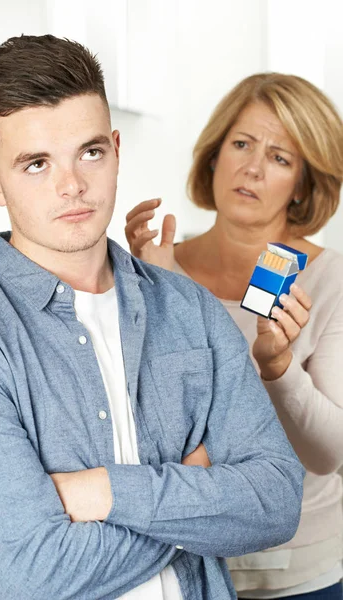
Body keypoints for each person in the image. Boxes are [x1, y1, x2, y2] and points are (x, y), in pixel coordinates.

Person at [0, 37, 303, 600]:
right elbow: (29, 574)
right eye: (36, 164)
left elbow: (276, 502)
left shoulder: (190, 309)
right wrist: (199, 504)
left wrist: (101, 493)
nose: (72, 186)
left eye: (89, 152)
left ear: (114, 149)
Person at [125, 73, 343, 600]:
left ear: (303, 185)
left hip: (296, 574)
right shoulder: (159, 266)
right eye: (242, 144)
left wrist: (279, 368)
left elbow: (328, 453)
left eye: (280, 158)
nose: (251, 168)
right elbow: (142, 421)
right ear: (214, 156)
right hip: (178, 564)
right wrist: (154, 293)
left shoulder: (330, 279)